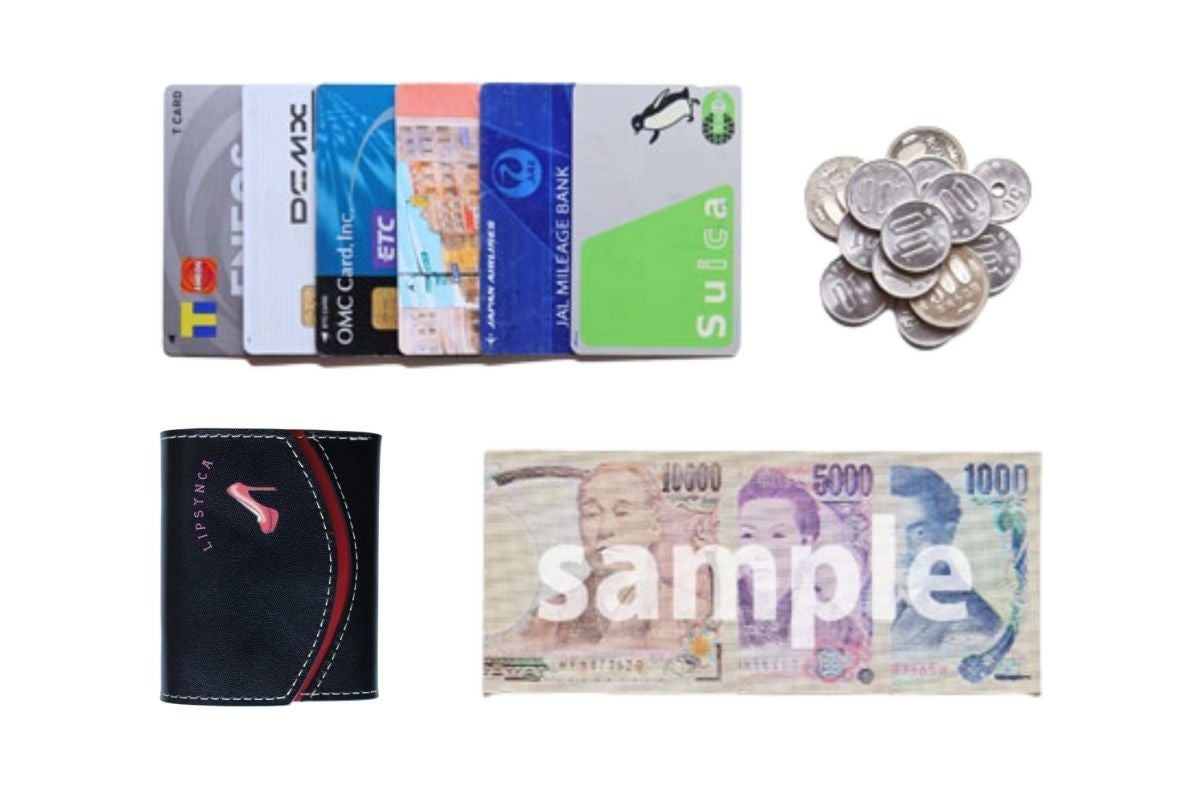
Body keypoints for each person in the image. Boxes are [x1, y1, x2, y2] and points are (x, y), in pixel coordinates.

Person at [736, 468, 868, 652]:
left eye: (778, 535)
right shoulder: (711, 610)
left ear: (806, 541)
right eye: (748, 535)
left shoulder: (838, 627)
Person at [890, 465, 1001, 655]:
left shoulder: (974, 624)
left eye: (920, 533)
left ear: (948, 534)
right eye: (889, 531)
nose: (901, 549)